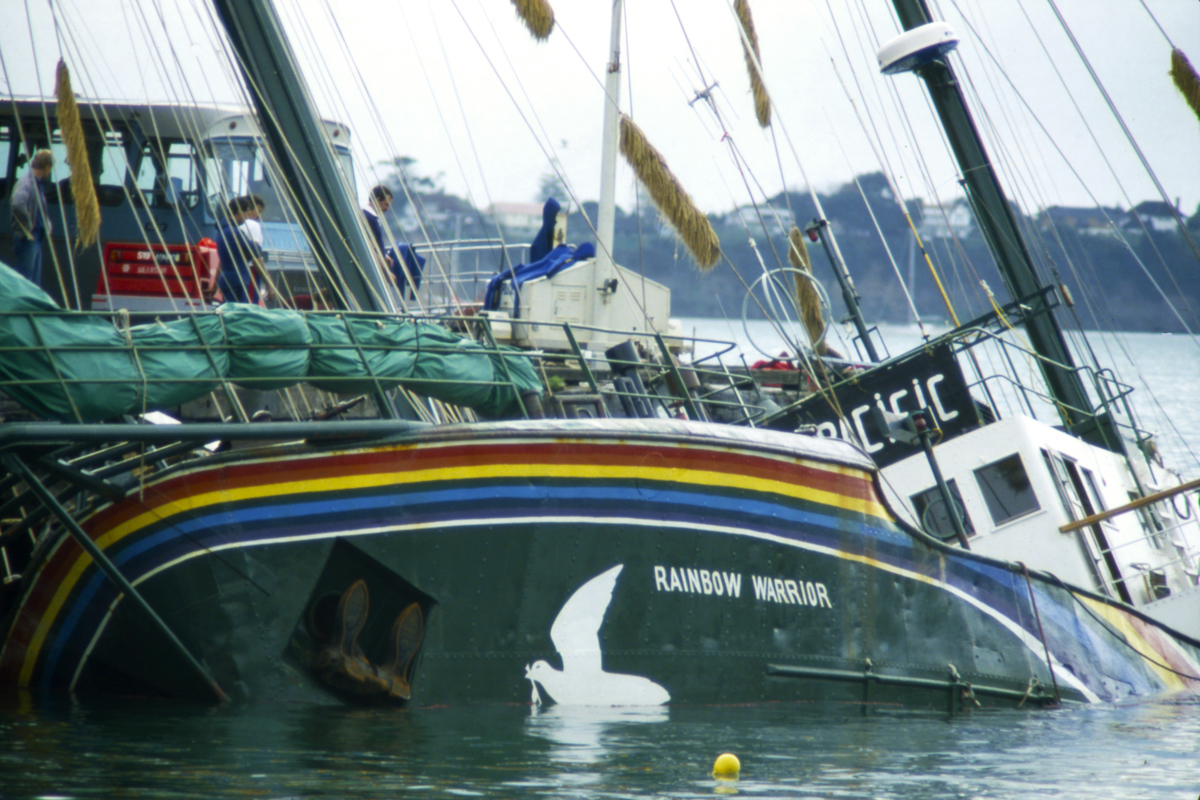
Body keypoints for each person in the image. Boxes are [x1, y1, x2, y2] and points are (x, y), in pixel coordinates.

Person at [8, 149, 54, 287]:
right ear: (47, 167)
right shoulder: (26, 183)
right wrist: (28, 227)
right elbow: (17, 203)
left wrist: (47, 225)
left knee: (33, 283)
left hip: (37, 237)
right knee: (24, 281)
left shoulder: (37, 185)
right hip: (29, 238)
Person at [216, 196, 264, 304]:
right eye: (246, 213)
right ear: (238, 212)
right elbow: (255, 251)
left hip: (228, 278)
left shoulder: (223, 230)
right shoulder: (234, 232)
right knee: (237, 315)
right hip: (237, 280)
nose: (247, 216)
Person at [363, 184, 395, 274]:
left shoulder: (372, 217)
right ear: (377, 200)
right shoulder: (369, 218)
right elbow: (370, 247)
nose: (387, 208)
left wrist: (384, 256)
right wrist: (386, 271)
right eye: (386, 204)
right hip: (372, 268)